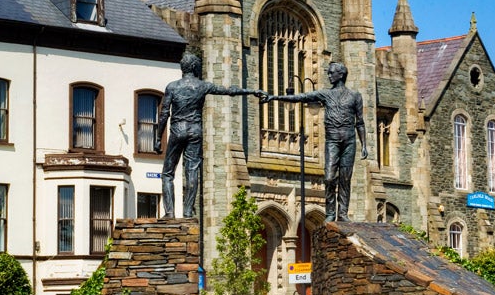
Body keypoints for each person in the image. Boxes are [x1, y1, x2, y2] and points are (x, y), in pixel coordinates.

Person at [155, 53, 265, 218]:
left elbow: (164, 114)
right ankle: (187, 212)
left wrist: (158, 137)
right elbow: (228, 91)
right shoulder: (202, 86)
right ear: (193, 67)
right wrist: (252, 91)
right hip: (195, 131)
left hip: (178, 130)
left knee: (168, 173)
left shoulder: (172, 87)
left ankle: (169, 212)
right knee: (191, 171)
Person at [266, 62, 367, 221]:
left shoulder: (355, 96)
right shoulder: (325, 94)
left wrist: (364, 145)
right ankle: (330, 213)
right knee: (329, 177)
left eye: (331, 72)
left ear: (341, 74)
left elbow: (360, 122)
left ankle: (342, 213)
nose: (328, 75)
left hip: (349, 141)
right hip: (332, 139)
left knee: (345, 179)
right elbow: (302, 97)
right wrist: (276, 97)